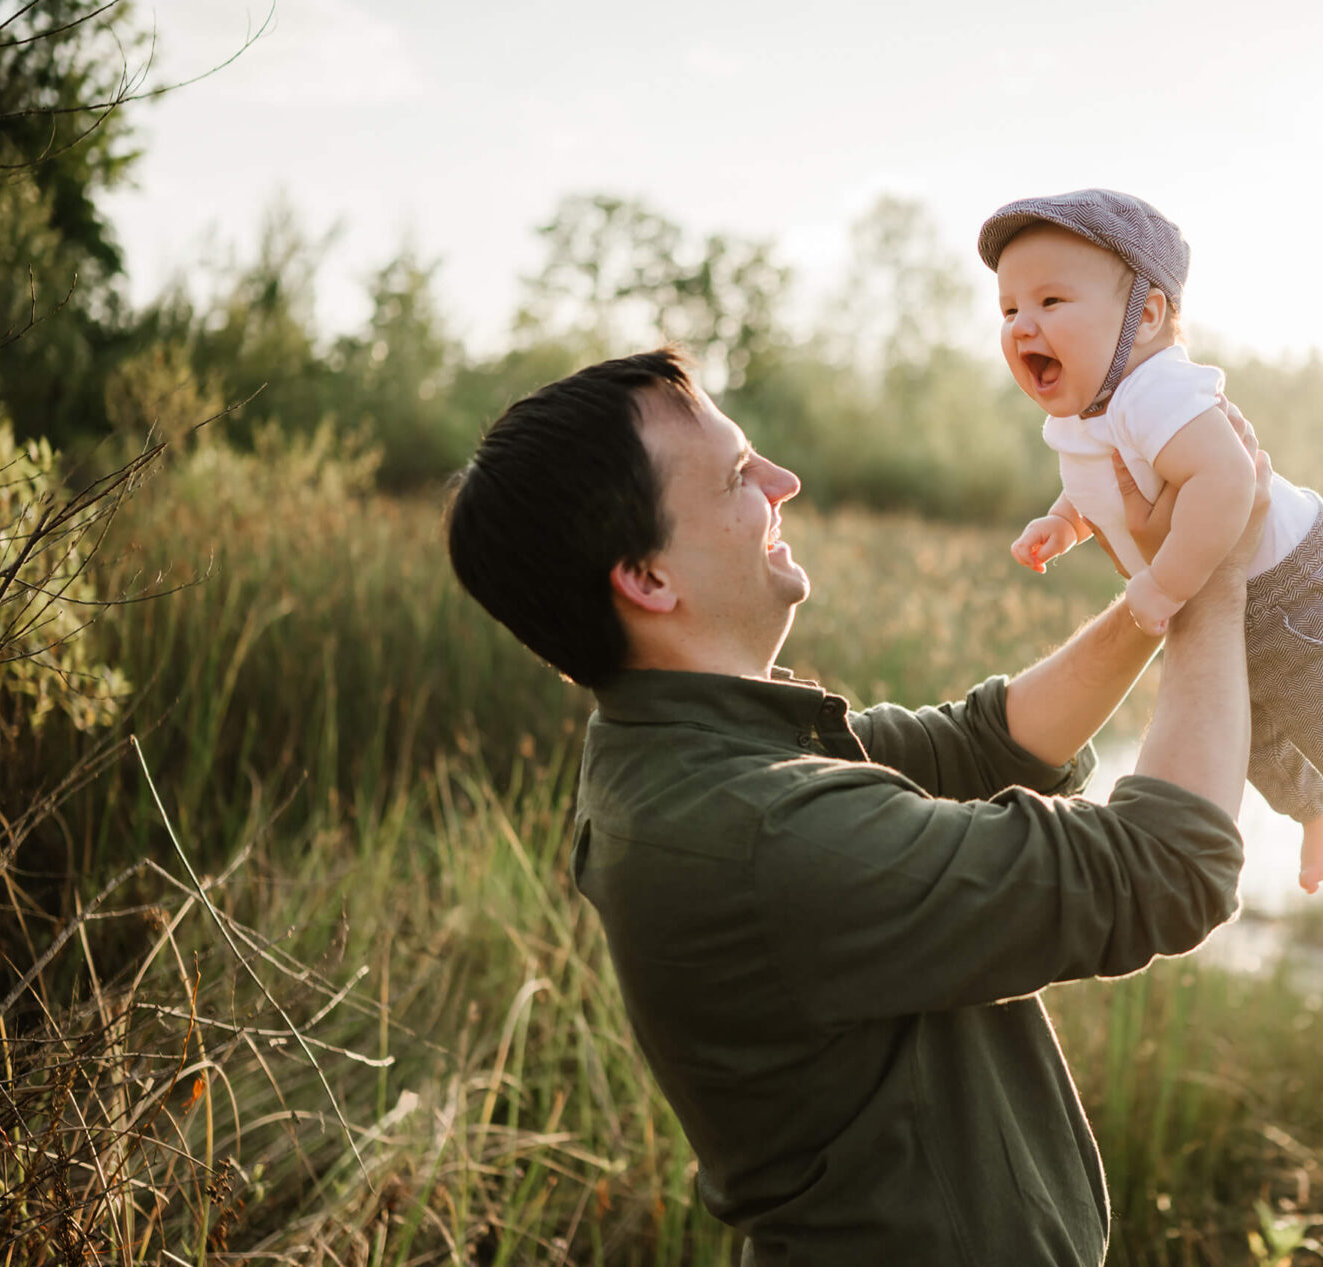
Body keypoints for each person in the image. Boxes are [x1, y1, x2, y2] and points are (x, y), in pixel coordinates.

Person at [444, 347, 1273, 1265]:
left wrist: (1158, 588)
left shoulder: (702, 748)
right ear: (647, 578)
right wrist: (1219, 574)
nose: (782, 481)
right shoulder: (755, 829)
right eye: (734, 477)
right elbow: (1167, 866)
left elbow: (985, 744)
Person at [980, 188, 1323, 917]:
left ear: (1145, 315)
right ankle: (1317, 808)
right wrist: (1064, 524)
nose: (1024, 326)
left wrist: (1166, 585)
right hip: (1237, 589)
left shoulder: (1155, 390)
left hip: (1302, 585)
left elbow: (1227, 478)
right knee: (1252, 730)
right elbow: (1099, 486)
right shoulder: (1087, 414)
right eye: (1010, 310)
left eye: (1050, 301)